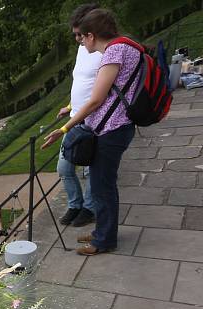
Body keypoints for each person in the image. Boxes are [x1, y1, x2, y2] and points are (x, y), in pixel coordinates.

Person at [42, 8, 139, 255]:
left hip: (113, 129)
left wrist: (63, 129)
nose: (81, 42)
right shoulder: (123, 47)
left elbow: (95, 100)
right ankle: (101, 233)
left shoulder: (112, 53)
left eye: (82, 37)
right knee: (101, 185)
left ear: (92, 35)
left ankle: (104, 241)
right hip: (113, 127)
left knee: (102, 187)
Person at [57, 3, 102, 228]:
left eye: (79, 34)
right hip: (75, 115)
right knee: (64, 168)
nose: (77, 39)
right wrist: (69, 105)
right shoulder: (82, 49)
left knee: (92, 167)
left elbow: (100, 91)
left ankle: (89, 208)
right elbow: (82, 82)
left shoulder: (105, 52)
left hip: (93, 120)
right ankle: (76, 204)